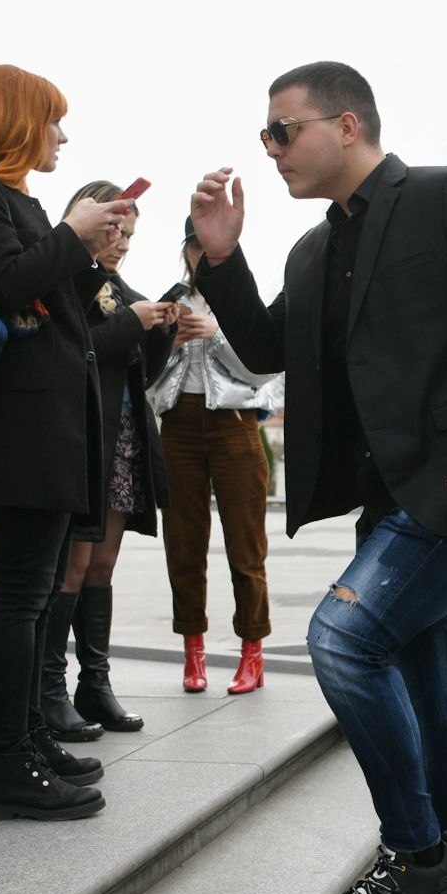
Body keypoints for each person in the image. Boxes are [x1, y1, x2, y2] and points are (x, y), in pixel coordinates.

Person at [189, 61, 447, 894]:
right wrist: (222, 255)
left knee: (342, 640)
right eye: (265, 134)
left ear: (346, 125)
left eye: (284, 130)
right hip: (385, 505)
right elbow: (269, 347)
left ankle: (415, 852)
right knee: (438, 704)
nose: (269, 148)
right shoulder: (314, 250)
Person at [0, 64, 132, 820]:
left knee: (32, 592)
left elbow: (57, 298)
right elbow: (6, 284)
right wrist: (72, 233)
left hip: (43, 420)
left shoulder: (9, 194)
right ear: (14, 118)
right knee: (18, 594)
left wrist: (85, 240)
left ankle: (27, 738)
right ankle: (7, 766)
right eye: (52, 119)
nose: (61, 135)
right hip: (17, 424)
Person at [39, 181, 174, 738]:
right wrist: (134, 323)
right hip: (76, 442)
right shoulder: (56, 273)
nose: (121, 242)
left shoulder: (120, 287)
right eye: (115, 228)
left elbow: (137, 366)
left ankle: (94, 684)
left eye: (130, 234)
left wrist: (167, 332)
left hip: (119, 441)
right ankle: (48, 690)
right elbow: (74, 350)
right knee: (68, 568)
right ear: (84, 217)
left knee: (100, 566)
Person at [151, 218, 281, 696]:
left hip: (235, 425)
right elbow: (143, 377)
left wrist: (216, 333)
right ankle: (194, 652)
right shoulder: (167, 302)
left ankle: (252, 654)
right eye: (194, 247)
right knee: (182, 544)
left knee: (246, 547)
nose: (200, 256)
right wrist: (171, 340)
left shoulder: (242, 301)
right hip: (178, 425)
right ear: (185, 251)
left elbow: (264, 369)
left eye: (208, 247)